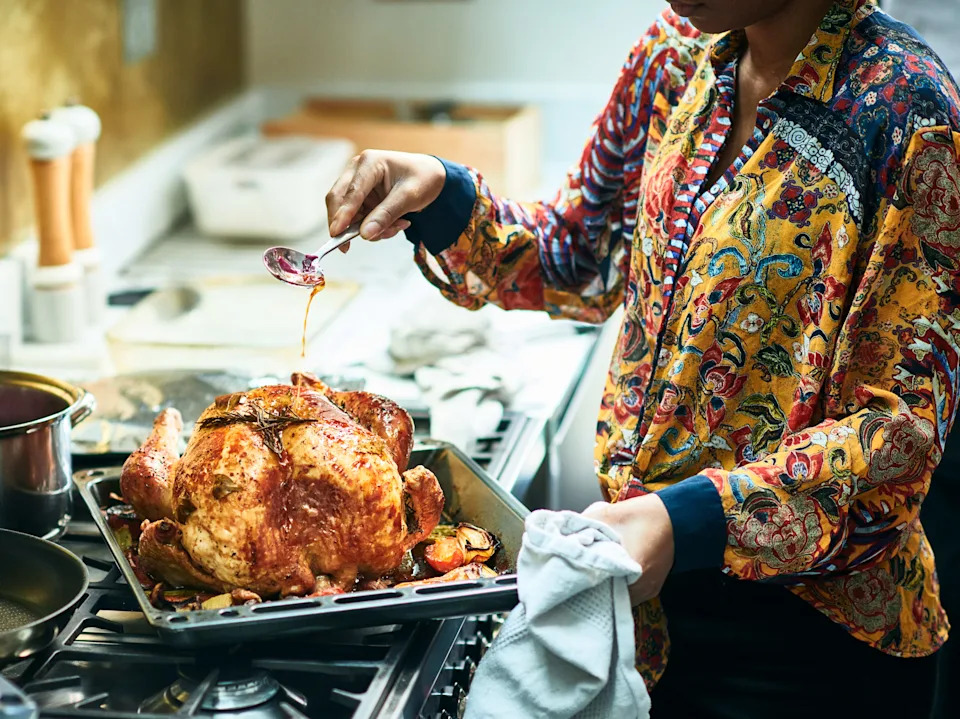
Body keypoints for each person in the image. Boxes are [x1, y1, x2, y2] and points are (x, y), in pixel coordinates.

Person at [324, 0, 960, 716]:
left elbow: (897, 443)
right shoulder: (676, 53)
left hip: (806, 652)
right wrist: (443, 196)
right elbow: (581, 257)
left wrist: (685, 521)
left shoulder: (908, 111)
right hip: (648, 625)